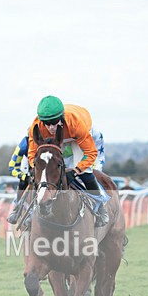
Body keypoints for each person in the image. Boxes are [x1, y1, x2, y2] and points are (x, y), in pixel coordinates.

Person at [27, 95, 109, 226]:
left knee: (85, 172)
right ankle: (31, 210)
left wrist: (76, 171)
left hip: (78, 137)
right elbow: (32, 154)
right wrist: (37, 168)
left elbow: (90, 153)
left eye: (54, 122)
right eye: (47, 124)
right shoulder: (36, 127)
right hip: (59, 139)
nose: (51, 127)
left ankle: (100, 208)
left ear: (61, 117)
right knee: (42, 172)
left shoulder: (75, 124)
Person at [6, 136, 30, 225]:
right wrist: (24, 176)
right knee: (23, 182)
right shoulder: (24, 144)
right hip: (30, 169)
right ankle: (17, 209)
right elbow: (12, 167)